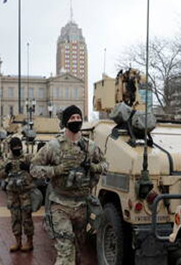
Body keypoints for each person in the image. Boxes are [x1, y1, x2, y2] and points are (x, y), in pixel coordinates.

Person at [31, 105, 107, 265]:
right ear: (66, 122)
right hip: (60, 205)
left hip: (81, 206)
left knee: (78, 251)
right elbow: (34, 169)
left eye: (78, 118)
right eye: (72, 118)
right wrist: (56, 170)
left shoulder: (90, 147)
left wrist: (93, 167)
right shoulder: (53, 146)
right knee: (66, 251)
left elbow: (105, 165)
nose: (76, 121)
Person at [0, 137, 35, 252]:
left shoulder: (28, 158)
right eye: (15, 148)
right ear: (11, 148)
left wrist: (29, 168)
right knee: (15, 218)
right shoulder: (7, 160)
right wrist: (6, 171)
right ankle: (17, 241)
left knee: (27, 218)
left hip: (25, 193)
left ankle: (29, 242)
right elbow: (0, 174)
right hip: (13, 194)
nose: (17, 149)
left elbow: (38, 171)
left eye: (19, 147)